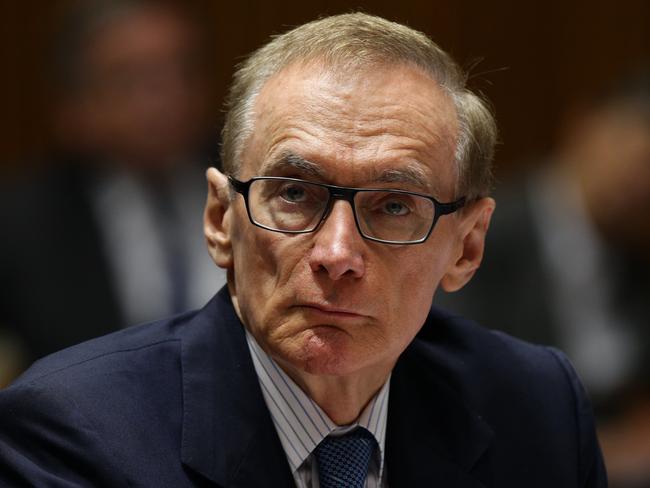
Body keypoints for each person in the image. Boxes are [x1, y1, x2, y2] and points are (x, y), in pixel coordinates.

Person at [0, 13, 606, 487]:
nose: (337, 252)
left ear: (467, 248)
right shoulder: (73, 433)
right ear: (219, 220)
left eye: (394, 205)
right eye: (294, 193)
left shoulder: (534, 405)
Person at [0, 0, 226, 382]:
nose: (168, 96)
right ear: (74, 106)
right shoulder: (22, 223)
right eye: (135, 79)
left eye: (183, 71)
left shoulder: (251, 184)